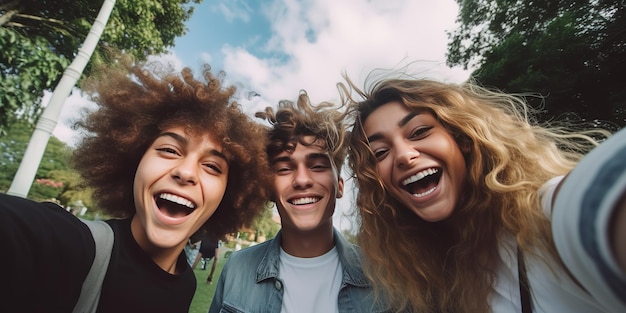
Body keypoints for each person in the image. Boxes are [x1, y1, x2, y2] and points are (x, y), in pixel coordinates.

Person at [0, 54, 272, 312]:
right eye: (169, 150)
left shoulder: (186, 283)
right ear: (134, 161)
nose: (186, 172)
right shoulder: (68, 246)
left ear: (229, 194)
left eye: (212, 166)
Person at [342, 75, 626, 313]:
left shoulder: (547, 221)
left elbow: (602, 195)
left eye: (419, 132)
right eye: (380, 153)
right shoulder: (438, 283)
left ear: (463, 139)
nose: (403, 156)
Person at [209, 91, 387, 312]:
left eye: (318, 166)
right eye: (284, 168)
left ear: (339, 186)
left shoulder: (384, 278)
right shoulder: (236, 269)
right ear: (269, 189)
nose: (302, 180)